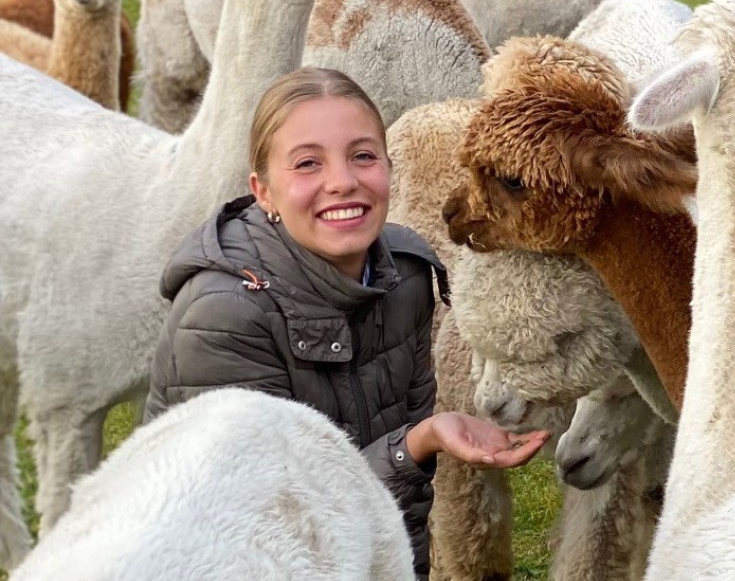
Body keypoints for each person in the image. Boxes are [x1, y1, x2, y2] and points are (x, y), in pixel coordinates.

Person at [145, 67, 544, 578]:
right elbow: (271, 533)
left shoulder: (406, 277)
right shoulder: (223, 316)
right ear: (262, 191)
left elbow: (406, 507)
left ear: (387, 168)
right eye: (307, 163)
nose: (342, 182)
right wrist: (416, 444)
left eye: (362, 155)